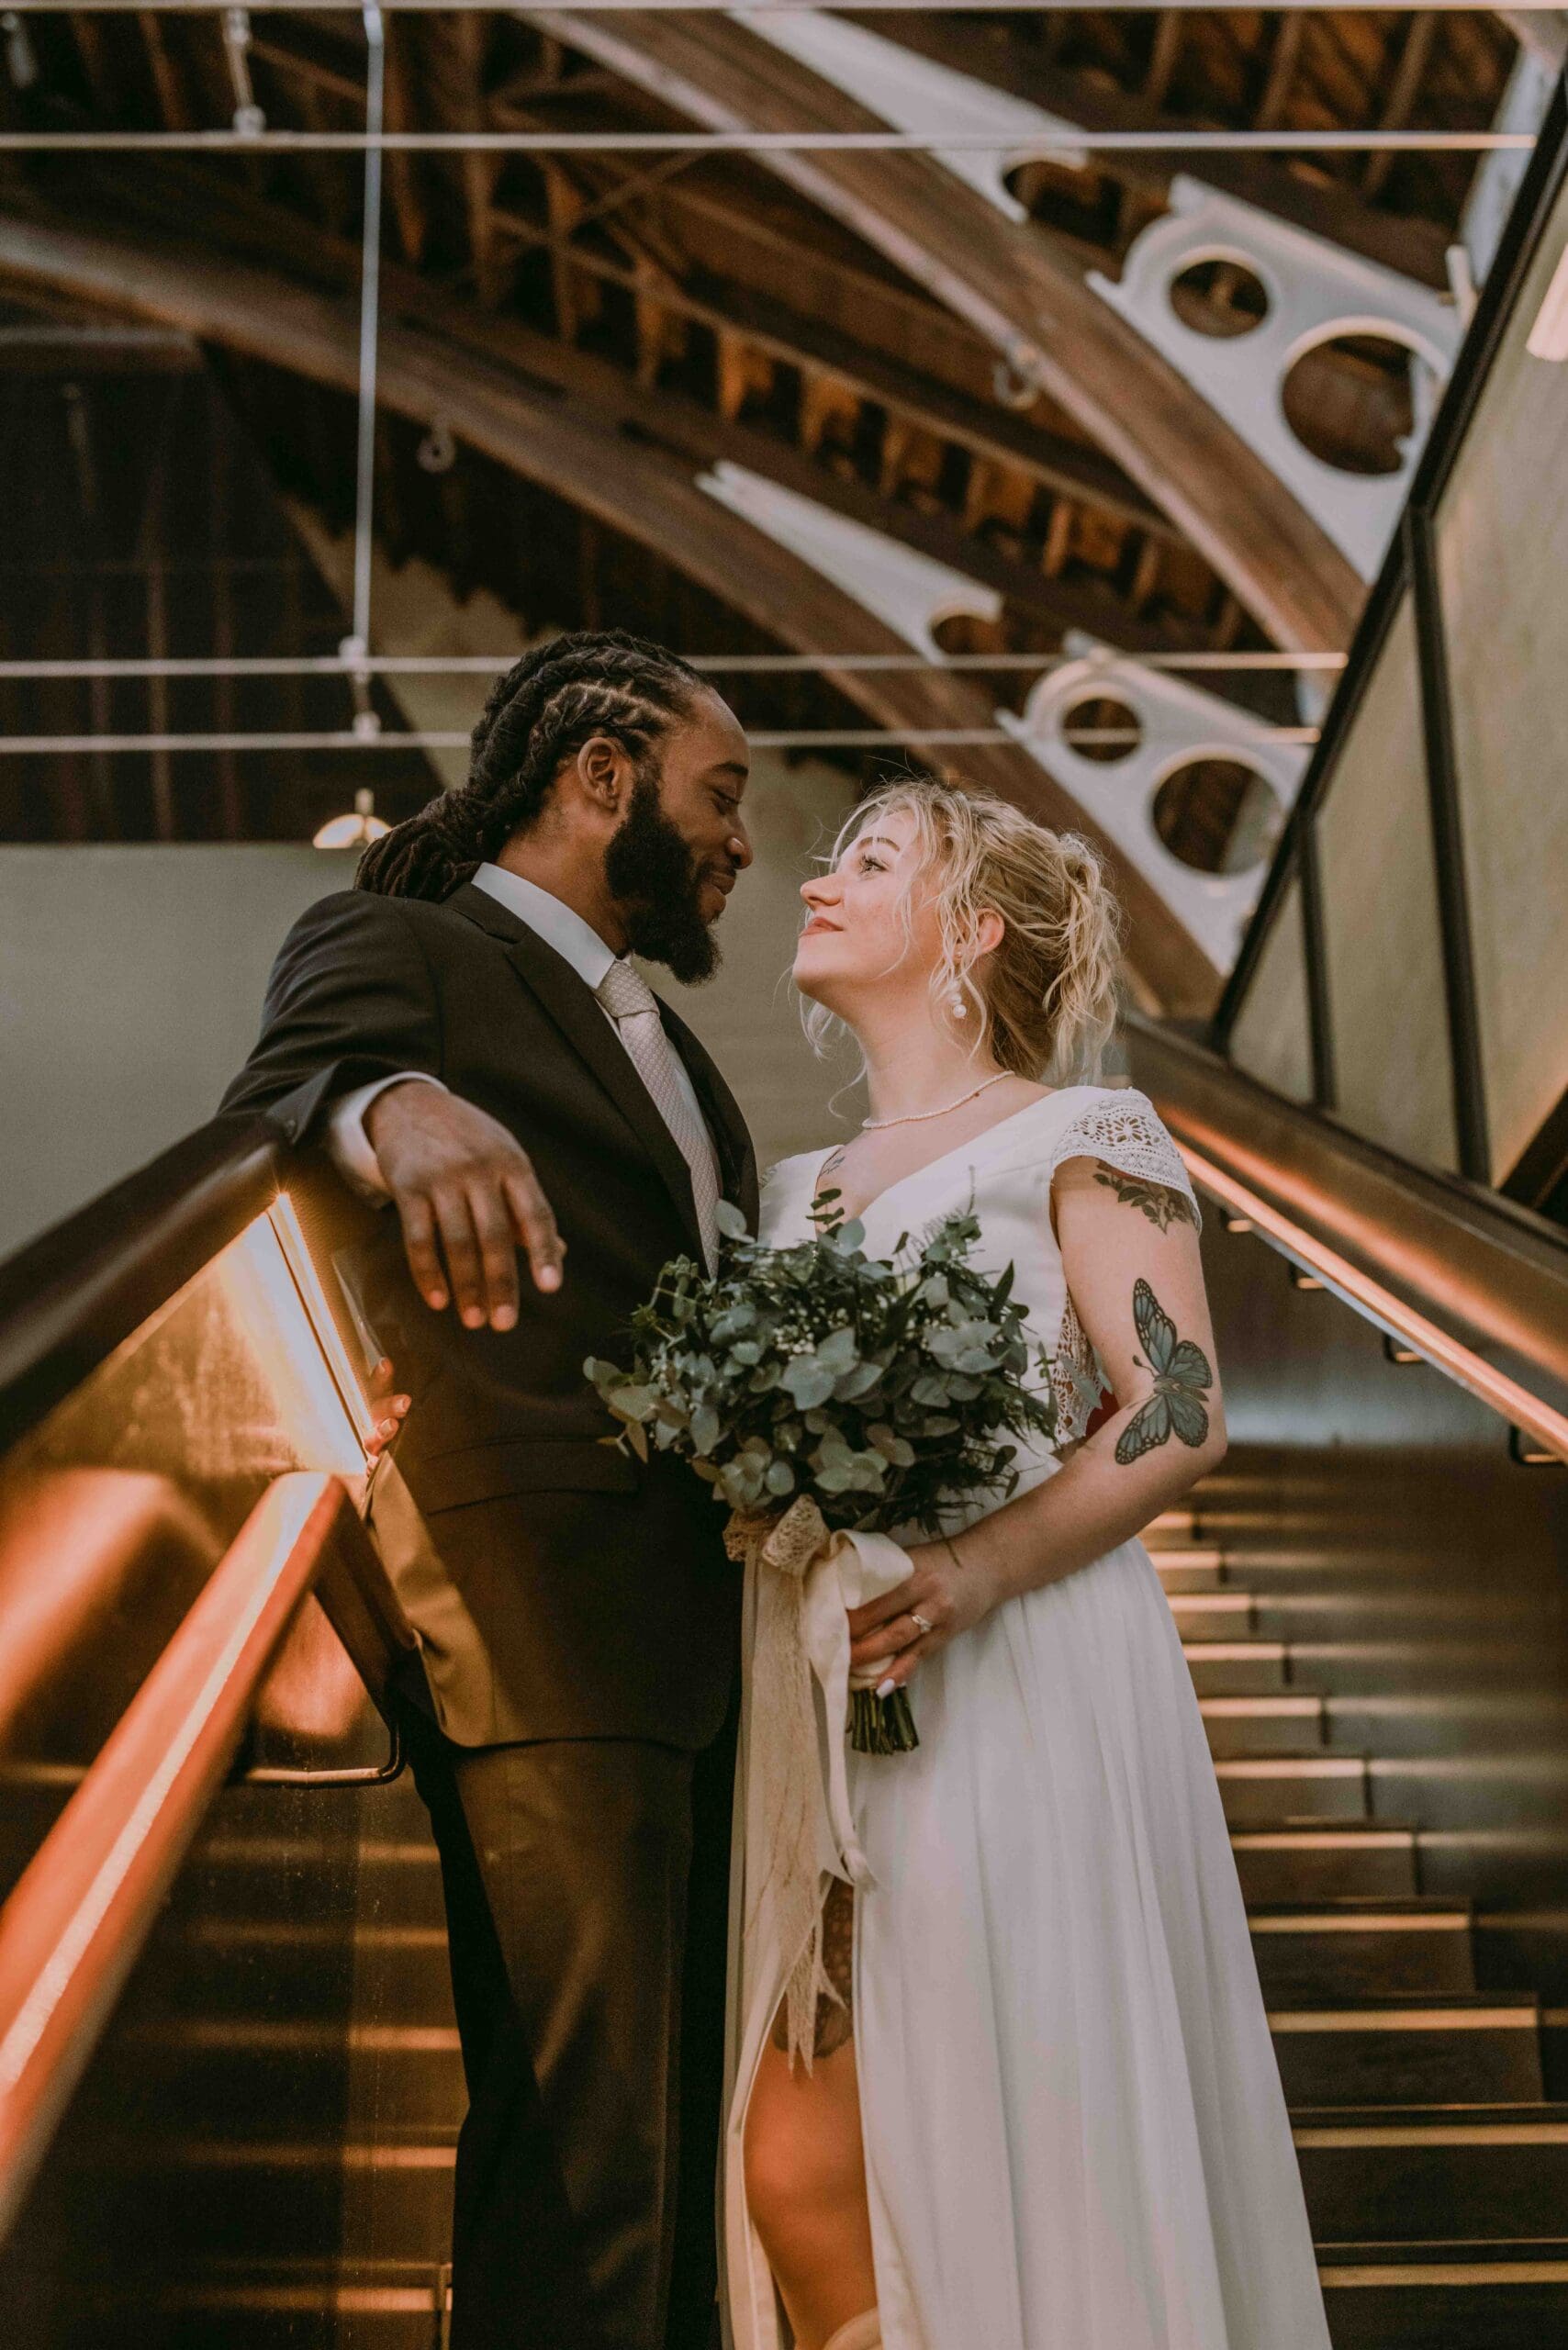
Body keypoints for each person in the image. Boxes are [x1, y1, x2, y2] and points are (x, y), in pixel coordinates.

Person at [726, 780, 1332, 2350]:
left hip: (1018, 1675)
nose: (821, 878)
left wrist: (976, 1570)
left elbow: (1177, 1411)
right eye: (830, 853)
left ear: (972, 930)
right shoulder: (795, 1195)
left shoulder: (1087, 1130)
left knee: (1012, 2115)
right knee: (795, 2157)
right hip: (827, 1696)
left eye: (873, 858)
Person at [220, 630, 757, 2350]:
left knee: (681, 2150)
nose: (745, 837)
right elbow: (279, 1100)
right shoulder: (404, 947)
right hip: (536, 1623)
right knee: (583, 2161)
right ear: (603, 779)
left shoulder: (678, 1050)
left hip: (704, 1643)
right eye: (723, 791)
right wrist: (399, 1102)